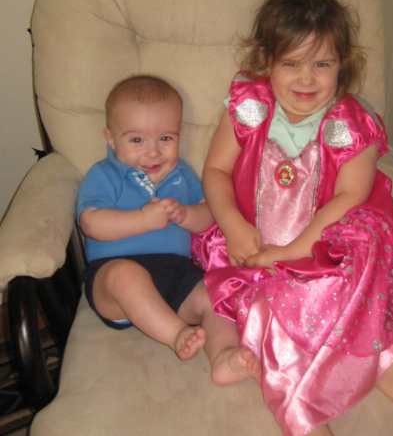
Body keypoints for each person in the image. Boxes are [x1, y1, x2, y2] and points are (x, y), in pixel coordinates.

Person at [193, 0, 393, 436]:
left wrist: (290, 253)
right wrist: (233, 224)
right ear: (267, 61)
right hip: (250, 247)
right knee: (268, 318)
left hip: (326, 248)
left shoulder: (352, 124)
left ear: (342, 63)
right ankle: (307, 422)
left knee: (366, 314)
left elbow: (348, 198)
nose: (306, 79)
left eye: (322, 64)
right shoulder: (248, 108)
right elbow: (216, 170)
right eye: (291, 64)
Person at [77, 75, 261, 384]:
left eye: (165, 138)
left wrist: (187, 215)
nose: (153, 152)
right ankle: (176, 334)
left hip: (175, 273)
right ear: (112, 139)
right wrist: (142, 219)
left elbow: (209, 214)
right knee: (126, 276)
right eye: (137, 140)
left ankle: (223, 356)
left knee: (214, 296)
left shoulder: (182, 174)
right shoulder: (104, 175)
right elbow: (91, 223)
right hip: (113, 277)